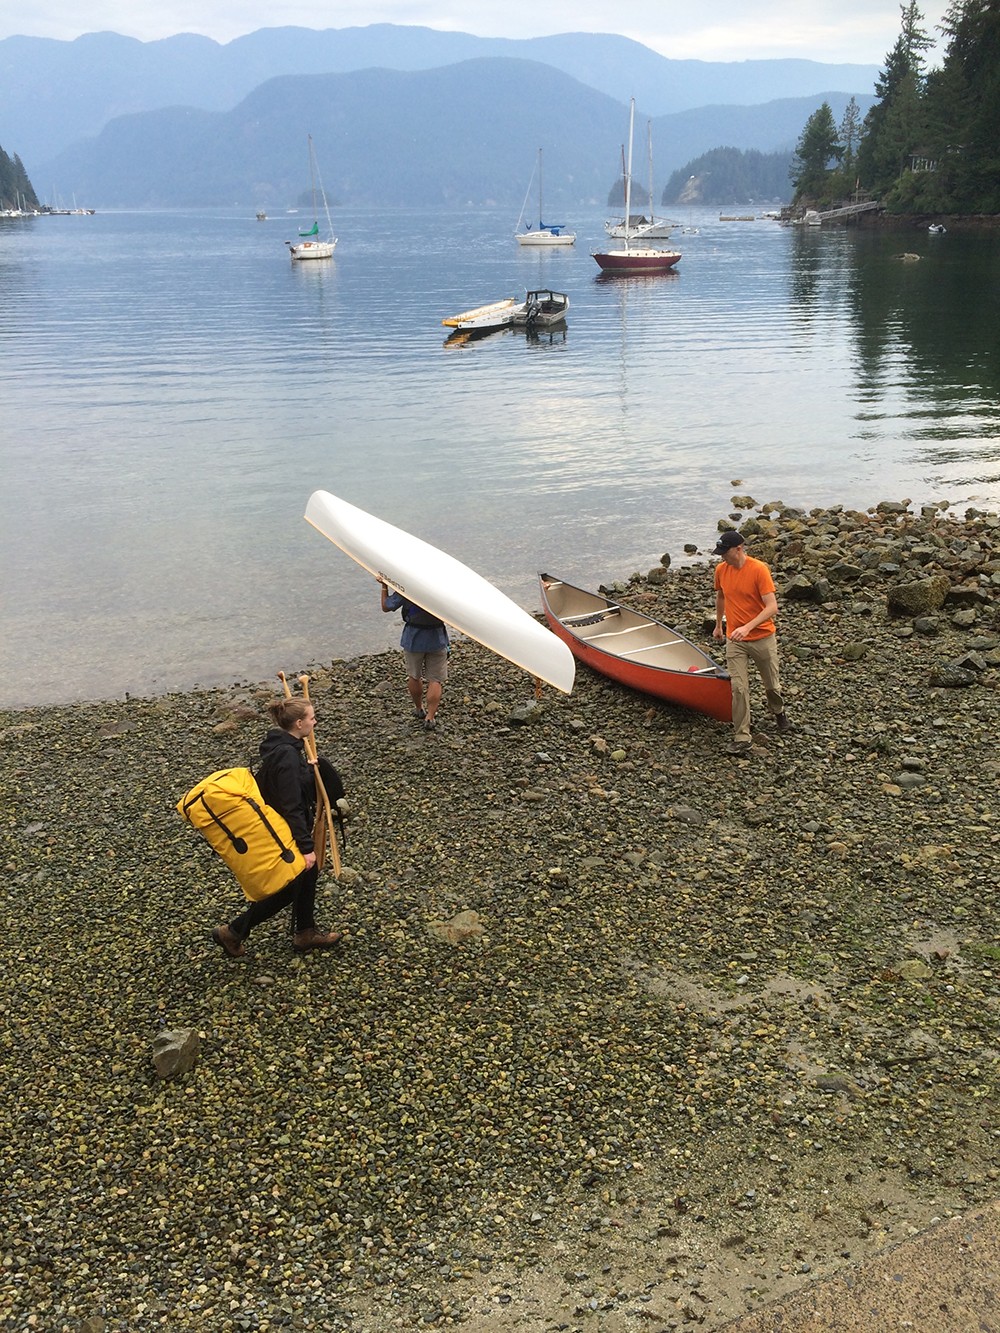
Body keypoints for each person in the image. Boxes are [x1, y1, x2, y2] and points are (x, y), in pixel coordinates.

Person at [212, 697, 344, 958]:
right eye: (311, 718)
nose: (314, 722)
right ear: (298, 723)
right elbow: (291, 804)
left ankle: (305, 932)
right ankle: (233, 931)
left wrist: (307, 773)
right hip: (284, 829)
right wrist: (306, 847)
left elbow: (282, 786)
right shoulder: (287, 756)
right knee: (292, 885)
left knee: (308, 878)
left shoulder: (282, 746)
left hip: (282, 823)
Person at [712, 530, 791, 754]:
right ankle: (742, 737)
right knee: (739, 687)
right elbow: (721, 596)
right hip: (734, 639)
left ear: (739, 548)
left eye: (724, 552)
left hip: (762, 637)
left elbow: (772, 607)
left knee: (771, 684)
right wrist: (719, 624)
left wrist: (748, 626)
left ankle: (779, 712)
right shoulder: (721, 570)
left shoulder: (759, 570)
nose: (722, 557)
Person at [380, 581, 449, 731]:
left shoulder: (408, 587)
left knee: (414, 676)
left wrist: (384, 585)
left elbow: (386, 606)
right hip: (437, 638)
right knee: (435, 680)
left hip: (413, 638)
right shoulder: (442, 591)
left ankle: (419, 709)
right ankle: (430, 717)